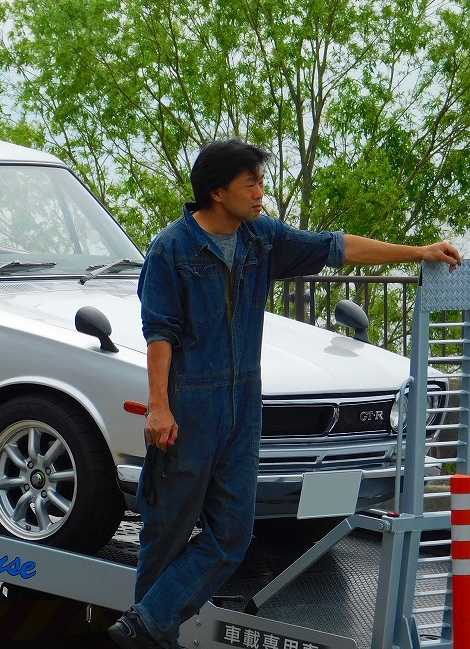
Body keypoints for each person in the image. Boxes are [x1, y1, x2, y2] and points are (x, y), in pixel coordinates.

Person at [108, 139, 462, 649]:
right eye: (250, 182)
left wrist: (418, 252)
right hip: (190, 405)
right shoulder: (172, 249)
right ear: (217, 191)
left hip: (244, 404)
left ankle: (141, 628)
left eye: (260, 181)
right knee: (164, 536)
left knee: (231, 535)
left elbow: (336, 247)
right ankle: (151, 636)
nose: (260, 193)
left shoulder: (261, 238)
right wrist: (159, 406)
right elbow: (159, 333)